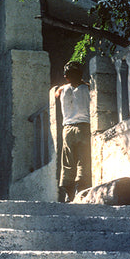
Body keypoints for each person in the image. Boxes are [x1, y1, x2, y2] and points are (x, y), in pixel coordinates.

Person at [55, 60, 91, 202]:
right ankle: (80, 188)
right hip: (84, 127)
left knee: (68, 161)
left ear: (66, 76)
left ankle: (68, 192)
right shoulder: (87, 88)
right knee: (83, 158)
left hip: (68, 129)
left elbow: (56, 93)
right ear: (80, 75)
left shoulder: (62, 90)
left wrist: (64, 85)